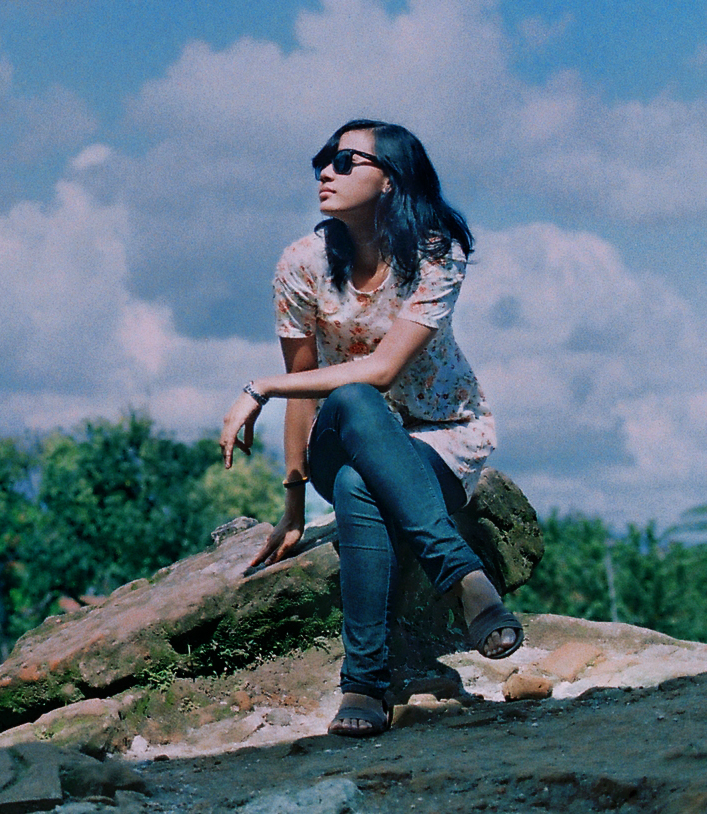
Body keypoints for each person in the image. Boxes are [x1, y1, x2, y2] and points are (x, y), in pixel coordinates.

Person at [218, 119, 521, 738]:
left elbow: (385, 368)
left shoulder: (436, 253)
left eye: (345, 161)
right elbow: (306, 386)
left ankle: (363, 684)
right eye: (323, 160)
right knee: (355, 401)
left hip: (440, 435)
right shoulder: (302, 264)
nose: (325, 172)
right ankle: (463, 576)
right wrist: (293, 505)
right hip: (343, 433)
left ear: (390, 180)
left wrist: (259, 388)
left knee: (360, 487)